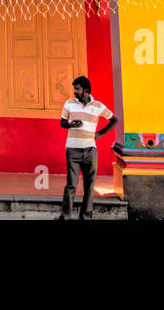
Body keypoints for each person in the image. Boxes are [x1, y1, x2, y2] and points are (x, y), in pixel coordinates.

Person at [58, 75, 117, 220]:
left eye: (77, 89)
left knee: (89, 186)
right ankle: (65, 216)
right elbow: (62, 122)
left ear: (86, 90)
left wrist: (100, 133)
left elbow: (114, 120)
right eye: (75, 89)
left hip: (91, 151)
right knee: (71, 185)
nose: (75, 92)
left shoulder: (98, 106)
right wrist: (70, 124)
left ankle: (85, 216)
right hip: (72, 150)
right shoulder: (69, 103)